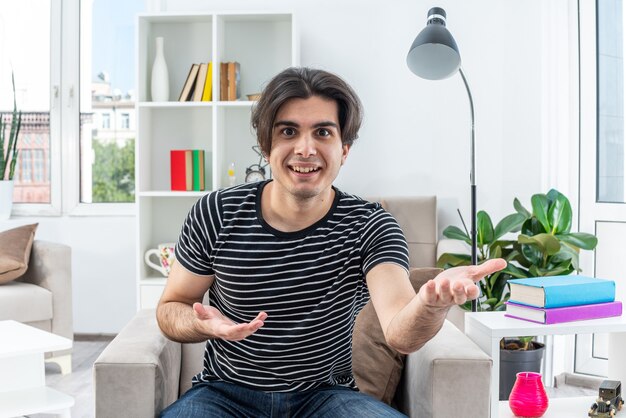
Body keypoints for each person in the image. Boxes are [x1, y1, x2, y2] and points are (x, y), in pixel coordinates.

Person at [157, 67, 506, 417]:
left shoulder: (372, 225)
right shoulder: (216, 212)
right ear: (266, 145)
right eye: (288, 131)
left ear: (344, 149)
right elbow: (171, 307)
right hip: (224, 394)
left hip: (326, 398)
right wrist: (201, 324)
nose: (305, 149)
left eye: (322, 132)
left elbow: (400, 332)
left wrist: (431, 306)